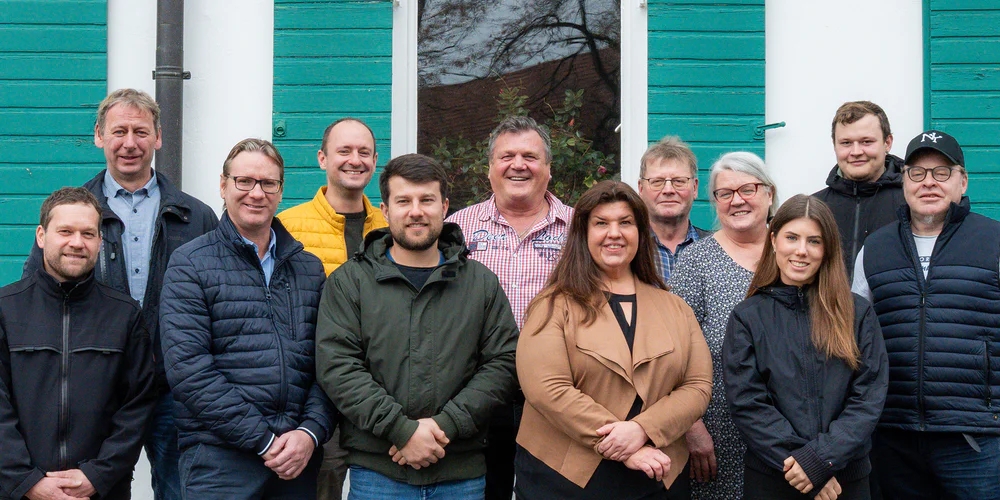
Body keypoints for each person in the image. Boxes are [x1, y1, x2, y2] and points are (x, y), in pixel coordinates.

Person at [21, 88, 218, 500]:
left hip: (173, 389)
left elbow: (219, 300)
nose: (130, 143)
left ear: (158, 138)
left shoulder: (195, 215)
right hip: (95, 390)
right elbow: (38, 293)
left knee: (181, 491)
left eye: (141, 132)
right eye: (119, 131)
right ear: (99, 136)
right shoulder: (73, 213)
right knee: (94, 491)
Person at [316, 153, 519, 500]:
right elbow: (338, 367)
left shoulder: (481, 283)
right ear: (384, 209)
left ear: (444, 206)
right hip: (378, 473)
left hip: (461, 473)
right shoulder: (350, 282)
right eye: (404, 201)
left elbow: (503, 363)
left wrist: (444, 426)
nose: (416, 211)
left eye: (427, 200)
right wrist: (401, 431)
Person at [515, 180, 713, 499]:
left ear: (640, 232)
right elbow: (547, 388)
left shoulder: (675, 307)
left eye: (626, 222)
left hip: (659, 473)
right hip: (567, 478)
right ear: (583, 234)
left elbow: (698, 385)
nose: (614, 233)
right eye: (601, 223)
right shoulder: (553, 305)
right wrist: (626, 448)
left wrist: (642, 429)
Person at [159, 138, 335, 499]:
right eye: (244, 181)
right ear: (223, 186)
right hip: (219, 460)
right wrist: (263, 439)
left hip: (296, 460)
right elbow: (188, 370)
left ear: (281, 191)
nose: (256, 193)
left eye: (268, 183)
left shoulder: (309, 269)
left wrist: (310, 433)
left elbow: (330, 362)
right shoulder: (190, 263)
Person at [852, 130, 1000, 500]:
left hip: (975, 437)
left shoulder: (994, 239)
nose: (929, 182)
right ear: (904, 182)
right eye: (917, 173)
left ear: (962, 181)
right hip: (894, 434)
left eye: (942, 172)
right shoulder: (875, 248)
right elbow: (855, 335)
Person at [723, 194, 888, 500]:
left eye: (814, 241)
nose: (801, 250)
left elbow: (869, 396)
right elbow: (747, 402)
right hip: (774, 479)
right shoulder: (747, 317)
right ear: (773, 241)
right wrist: (805, 464)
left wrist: (820, 460)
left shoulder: (857, 313)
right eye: (792, 237)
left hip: (845, 481)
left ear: (827, 250)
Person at [446, 115, 573, 500]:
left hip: (559, 387)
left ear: (548, 169)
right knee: (486, 490)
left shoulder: (580, 229)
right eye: (507, 156)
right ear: (490, 170)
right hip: (477, 387)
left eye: (530, 156)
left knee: (552, 490)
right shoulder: (456, 229)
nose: (518, 165)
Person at [1, 187, 156, 500]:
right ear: (42, 236)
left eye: (88, 233)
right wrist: (27, 482)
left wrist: (97, 475)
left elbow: (138, 406)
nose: (77, 243)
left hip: (99, 492)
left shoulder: (124, 315)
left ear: (100, 242)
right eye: (65, 231)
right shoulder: (6, 309)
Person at [278, 117, 388, 500]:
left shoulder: (391, 227)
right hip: (315, 393)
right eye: (344, 151)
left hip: (379, 393)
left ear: (376, 161)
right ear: (322, 158)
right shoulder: (286, 227)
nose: (354, 160)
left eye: (364, 152)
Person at [669, 151, 776, 499]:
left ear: (770, 193)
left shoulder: (792, 250)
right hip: (717, 433)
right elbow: (673, 351)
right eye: (725, 193)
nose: (737, 200)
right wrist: (691, 427)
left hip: (790, 427)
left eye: (748, 188)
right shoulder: (695, 261)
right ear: (714, 202)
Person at [813, 101, 905, 279]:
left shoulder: (911, 203)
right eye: (846, 143)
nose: (856, 151)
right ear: (835, 145)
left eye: (866, 142)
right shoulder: (815, 207)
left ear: (887, 142)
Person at [637, 136, 712, 282]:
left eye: (679, 181)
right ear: (641, 188)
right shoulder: (629, 248)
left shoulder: (717, 249)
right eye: (657, 182)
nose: (668, 190)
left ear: (695, 188)